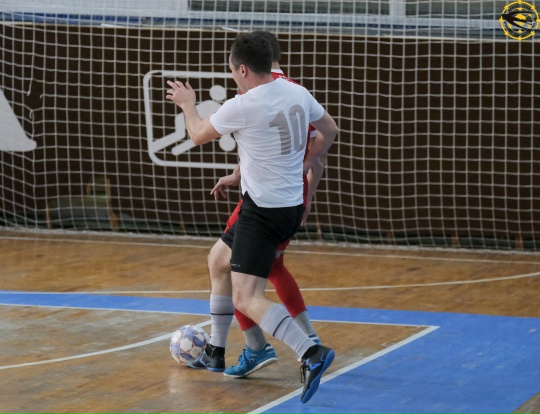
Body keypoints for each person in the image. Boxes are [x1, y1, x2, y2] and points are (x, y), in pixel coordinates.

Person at [166, 32, 338, 404]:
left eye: (232, 71)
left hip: (263, 212)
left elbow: (196, 134)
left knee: (246, 297)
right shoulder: (296, 91)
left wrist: (188, 104)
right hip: (288, 205)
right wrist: (304, 163)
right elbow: (330, 130)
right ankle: (216, 350)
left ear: (242, 69)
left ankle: (310, 351)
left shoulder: (242, 104)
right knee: (218, 260)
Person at [210, 31, 325, 379]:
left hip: (267, 199)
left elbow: (206, 133)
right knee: (263, 266)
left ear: (244, 67)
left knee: (237, 275)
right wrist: (308, 193)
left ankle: (269, 347)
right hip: (290, 194)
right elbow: (321, 143)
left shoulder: (255, 94)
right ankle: (301, 338)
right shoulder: (295, 91)